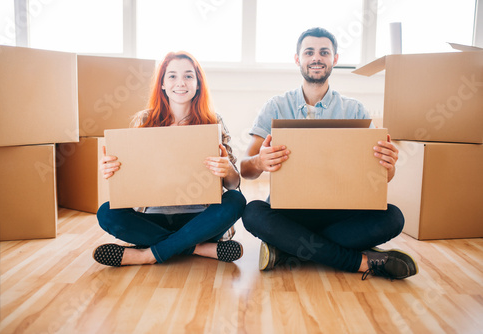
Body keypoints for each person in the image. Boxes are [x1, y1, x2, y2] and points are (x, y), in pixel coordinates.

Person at [241, 27, 418, 280]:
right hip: (289, 212)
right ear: (297, 59)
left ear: (334, 59)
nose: (316, 58)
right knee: (252, 212)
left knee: (393, 217)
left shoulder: (354, 110)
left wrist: (388, 166)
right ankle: (361, 261)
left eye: (324, 52)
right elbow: (245, 170)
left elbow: (383, 177)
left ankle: (288, 250)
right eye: (309, 52)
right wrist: (260, 160)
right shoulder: (276, 106)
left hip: (340, 212)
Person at [93, 51, 246, 267]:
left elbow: (233, 184)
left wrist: (227, 169)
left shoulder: (213, 121)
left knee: (236, 201)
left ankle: (146, 255)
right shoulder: (145, 120)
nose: (180, 82)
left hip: (200, 219)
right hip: (153, 219)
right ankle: (196, 248)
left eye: (188, 76)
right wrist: (113, 171)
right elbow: (131, 177)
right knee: (106, 213)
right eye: (172, 76)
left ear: (198, 84)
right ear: (162, 84)